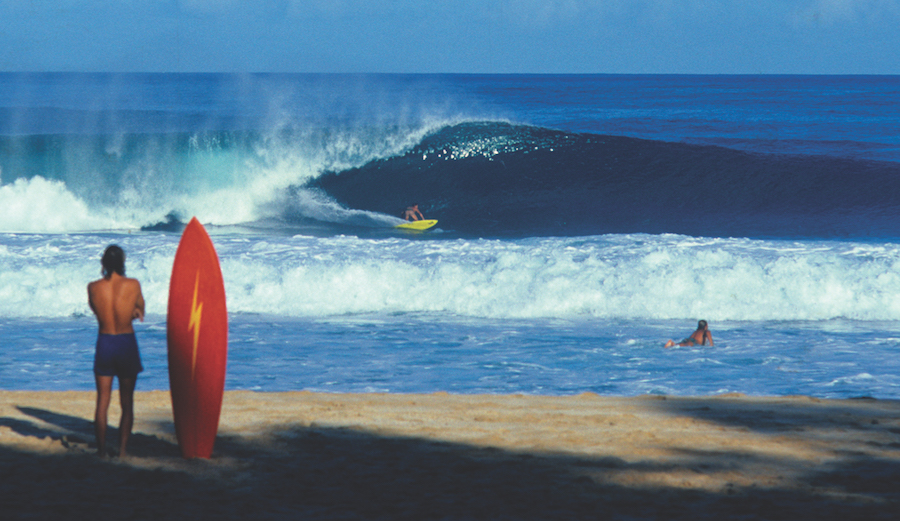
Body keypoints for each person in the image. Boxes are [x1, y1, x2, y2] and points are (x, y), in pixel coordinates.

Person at [87, 245, 145, 457]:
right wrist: (133, 310)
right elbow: (140, 311)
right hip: (126, 343)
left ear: (103, 263)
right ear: (122, 262)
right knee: (127, 402)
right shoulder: (133, 284)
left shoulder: (93, 287)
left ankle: (101, 452)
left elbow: (97, 311)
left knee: (102, 402)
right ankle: (121, 451)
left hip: (105, 343)